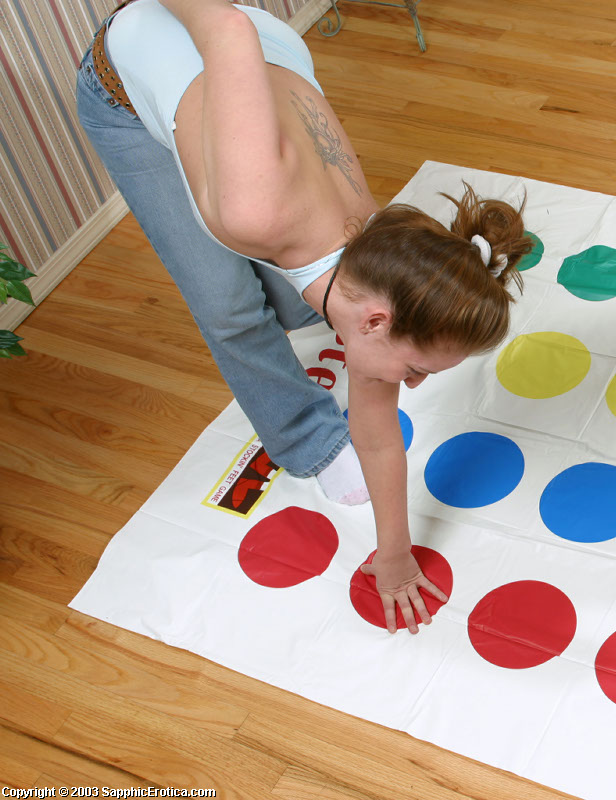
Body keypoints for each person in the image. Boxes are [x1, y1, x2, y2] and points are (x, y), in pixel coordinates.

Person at [76, 0, 531, 634]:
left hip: (267, 66)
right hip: (145, 67)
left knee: (294, 302)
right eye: (416, 369)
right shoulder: (252, 210)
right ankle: (305, 443)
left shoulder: (389, 268)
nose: (413, 384)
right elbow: (225, 26)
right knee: (230, 307)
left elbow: (379, 436)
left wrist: (394, 555)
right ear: (376, 322)